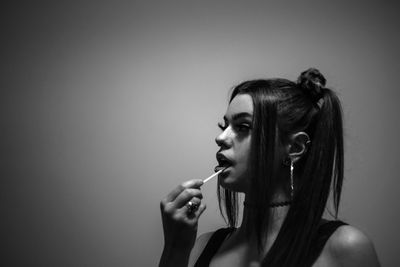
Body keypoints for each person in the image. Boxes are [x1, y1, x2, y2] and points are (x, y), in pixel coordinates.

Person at [159, 68, 380, 267]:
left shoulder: (345, 249)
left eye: (243, 127)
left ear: (295, 147)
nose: (220, 137)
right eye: (224, 126)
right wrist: (175, 248)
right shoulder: (203, 247)